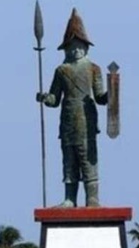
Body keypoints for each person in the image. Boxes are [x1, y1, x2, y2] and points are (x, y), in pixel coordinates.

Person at [37, 8, 107, 207]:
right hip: (67, 120)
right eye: (72, 46)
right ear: (66, 48)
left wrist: (111, 95)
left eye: (79, 46)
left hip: (87, 119)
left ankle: (92, 197)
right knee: (69, 160)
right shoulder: (61, 71)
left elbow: (100, 97)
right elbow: (54, 99)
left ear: (85, 47)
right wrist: (44, 97)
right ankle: (70, 198)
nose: (75, 50)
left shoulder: (93, 68)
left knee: (87, 158)